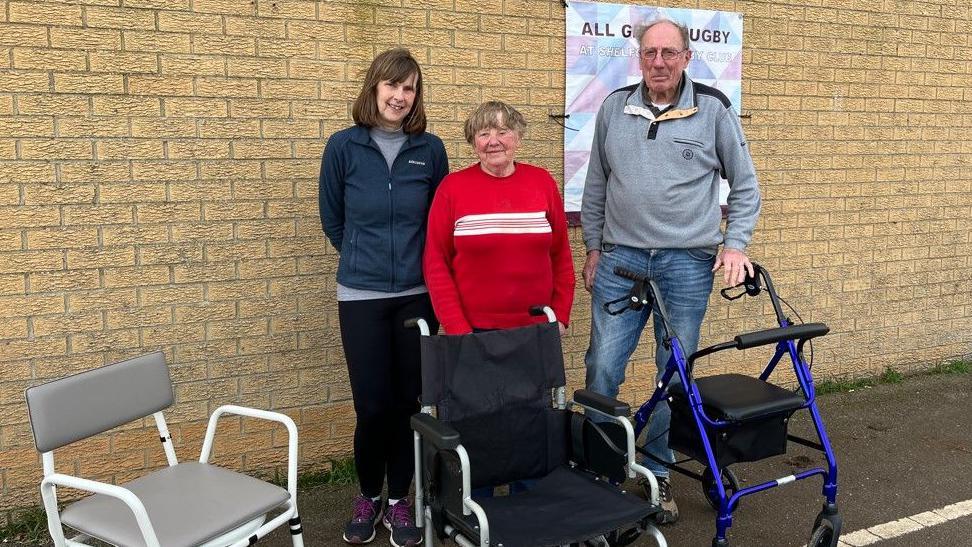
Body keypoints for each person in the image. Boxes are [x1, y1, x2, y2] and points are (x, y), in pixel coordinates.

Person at [581, 18, 761, 524]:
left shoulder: (714, 111)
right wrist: (593, 248)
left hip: (687, 264)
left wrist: (735, 245)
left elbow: (745, 188)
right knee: (603, 367)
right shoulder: (614, 108)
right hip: (620, 261)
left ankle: (658, 473)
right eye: (649, 52)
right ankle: (603, 472)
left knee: (672, 373)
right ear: (638, 57)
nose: (658, 62)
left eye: (668, 52)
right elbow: (596, 186)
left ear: (686, 57)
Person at [319, 48, 448, 547]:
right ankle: (368, 494)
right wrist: (363, 257)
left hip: (417, 298)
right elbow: (333, 218)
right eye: (392, 85)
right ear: (374, 88)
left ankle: (400, 498)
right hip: (361, 297)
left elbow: (438, 223)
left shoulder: (429, 149)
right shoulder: (344, 148)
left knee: (405, 402)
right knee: (372, 405)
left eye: (409, 88)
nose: (400, 96)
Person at [424, 100, 575, 338]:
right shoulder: (452, 189)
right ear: (474, 142)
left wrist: (560, 314)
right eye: (484, 133)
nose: (493, 141)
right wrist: (458, 329)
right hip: (474, 331)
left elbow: (562, 257)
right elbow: (436, 263)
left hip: (537, 326)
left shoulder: (542, 182)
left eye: (502, 132)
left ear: (518, 137)